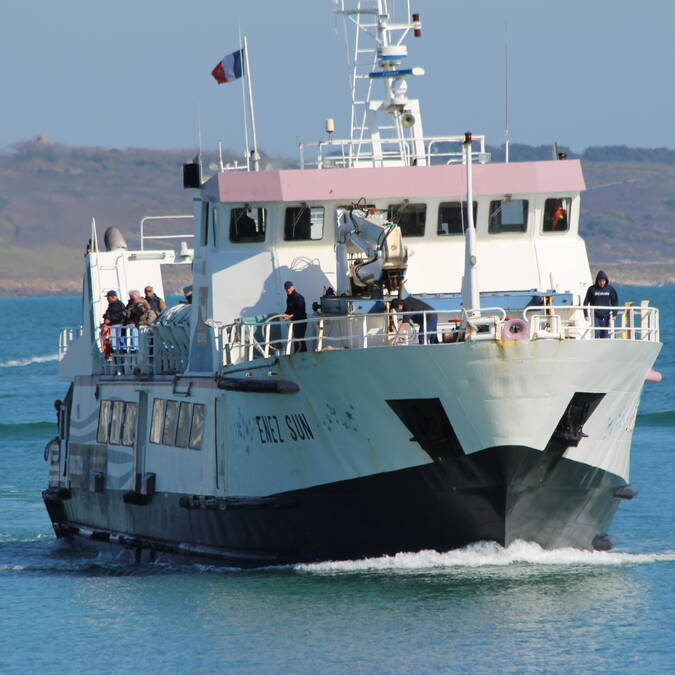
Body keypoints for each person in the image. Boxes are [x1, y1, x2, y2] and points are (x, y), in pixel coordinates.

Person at [583, 270, 619, 338]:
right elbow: (586, 302)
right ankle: (595, 346)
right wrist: (586, 314)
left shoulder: (610, 289)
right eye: (600, 281)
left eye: (603, 281)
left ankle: (604, 347)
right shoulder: (592, 289)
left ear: (606, 281)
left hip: (606, 316)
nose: (602, 283)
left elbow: (615, 301)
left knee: (605, 335)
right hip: (595, 315)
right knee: (596, 333)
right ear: (597, 280)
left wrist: (614, 313)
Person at [282, 281, 307, 353]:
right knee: (296, 339)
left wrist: (290, 316)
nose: (288, 290)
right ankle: (299, 354)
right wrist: (285, 314)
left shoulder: (299, 297)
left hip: (301, 321)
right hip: (295, 321)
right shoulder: (289, 298)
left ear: (293, 287)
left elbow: (301, 311)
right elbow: (289, 310)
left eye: (289, 288)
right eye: (286, 289)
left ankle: (302, 354)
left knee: (299, 339)